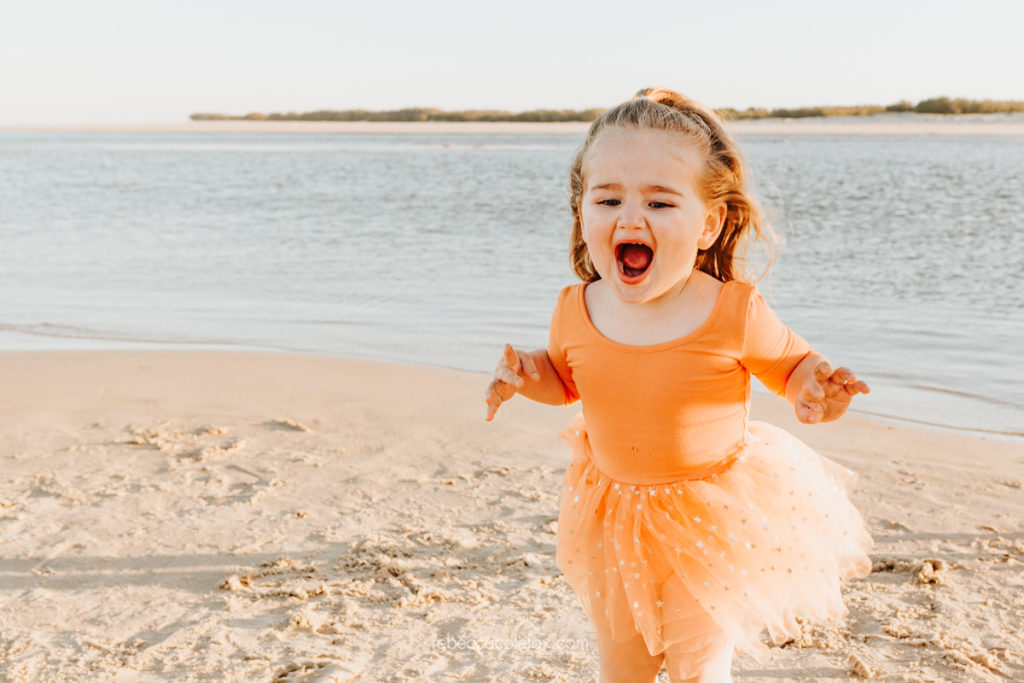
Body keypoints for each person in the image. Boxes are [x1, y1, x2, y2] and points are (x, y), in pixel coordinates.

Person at [483, 87, 875, 683]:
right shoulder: (575, 308)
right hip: (612, 512)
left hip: (708, 518)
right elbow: (566, 380)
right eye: (608, 199)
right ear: (582, 211)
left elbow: (794, 366)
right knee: (624, 662)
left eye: (660, 203)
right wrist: (525, 374)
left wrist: (817, 392)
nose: (629, 218)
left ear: (708, 224)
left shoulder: (732, 311)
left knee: (699, 666)